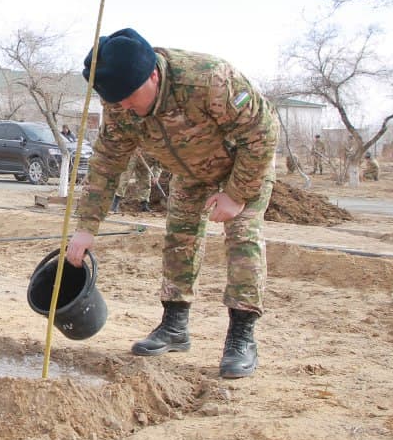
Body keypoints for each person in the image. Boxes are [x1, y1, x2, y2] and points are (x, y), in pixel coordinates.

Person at [66, 28, 278, 379]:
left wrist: (236, 195)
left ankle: (242, 336)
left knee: (242, 237)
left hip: (244, 165)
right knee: (179, 239)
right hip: (190, 173)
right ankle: (174, 326)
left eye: (130, 98)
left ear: (153, 74)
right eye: (116, 102)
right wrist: (86, 227)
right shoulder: (120, 99)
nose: (124, 108)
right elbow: (107, 161)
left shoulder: (209, 79)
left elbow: (263, 132)